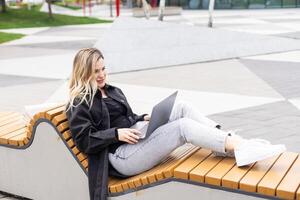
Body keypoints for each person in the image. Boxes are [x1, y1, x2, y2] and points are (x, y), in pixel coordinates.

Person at [66, 48, 286, 200]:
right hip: (120, 157)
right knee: (182, 127)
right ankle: (240, 147)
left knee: (181, 107)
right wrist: (116, 134)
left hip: (134, 139)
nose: (102, 74)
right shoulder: (79, 102)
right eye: (96, 72)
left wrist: (142, 119)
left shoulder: (111, 91)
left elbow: (127, 117)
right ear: (83, 72)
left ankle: (231, 143)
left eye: (103, 69)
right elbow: (85, 140)